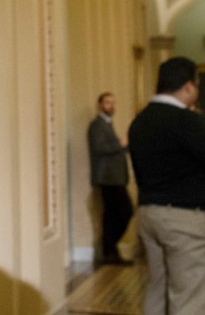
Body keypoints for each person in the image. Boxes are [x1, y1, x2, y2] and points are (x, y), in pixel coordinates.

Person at [128, 57, 205, 315]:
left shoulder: (139, 122)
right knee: (188, 295)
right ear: (188, 87)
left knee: (156, 289)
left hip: (149, 215)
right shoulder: (187, 122)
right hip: (184, 218)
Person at [87, 92, 134, 266]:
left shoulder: (107, 124)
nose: (111, 106)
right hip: (108, 178)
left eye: (113, 103)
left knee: (110, 216)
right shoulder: (97, 125)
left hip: (115, 177)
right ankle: (109, 249)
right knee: (124, 211)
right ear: (100, 105)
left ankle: (110, 253)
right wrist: (121, 144)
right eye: (107, 102)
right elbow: (100, 148)